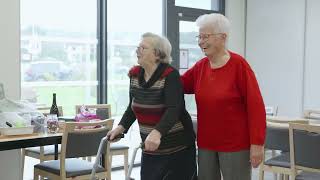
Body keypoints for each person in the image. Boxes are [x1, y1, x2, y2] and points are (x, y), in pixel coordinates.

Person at [181, 13, 266, 180]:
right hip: (206, 143)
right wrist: (154, 72)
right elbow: (178, 84)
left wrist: (257, 143)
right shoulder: (201, 67)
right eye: (199, 36)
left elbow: (255, 106)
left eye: (205, 36)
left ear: (223, 37)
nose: (200, 41)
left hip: (235, 145)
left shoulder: (239, 65)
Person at [107, 32, 197, 180]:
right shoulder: (135, 75)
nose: (138, 50)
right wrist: (121, 127)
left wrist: (157, 133)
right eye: (138, 47)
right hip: (150, 148)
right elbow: (132, 107)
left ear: (157, 54)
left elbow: (174, 109)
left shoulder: (170, 75)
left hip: (177, 149)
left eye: (143, 48)